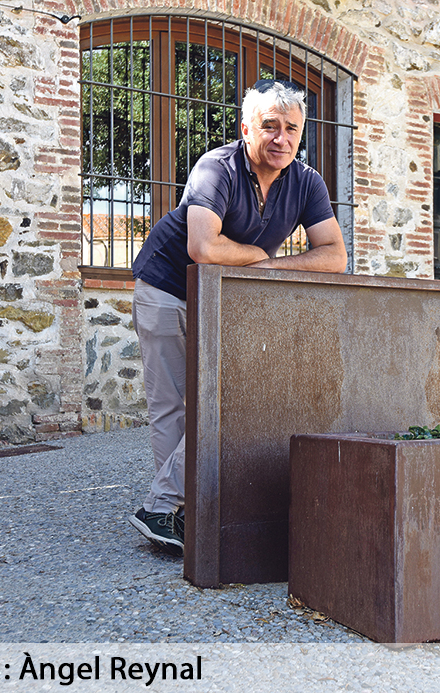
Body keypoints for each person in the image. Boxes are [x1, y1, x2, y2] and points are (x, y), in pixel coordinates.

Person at [128, 79, 347, 554]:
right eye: (270, 126)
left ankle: (164, 507)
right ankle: (175, 511)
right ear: (247, 128)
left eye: (292, 129)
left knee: (223, 399)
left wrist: (269, 267)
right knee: (173, 404)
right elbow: (203, 247)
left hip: (226, 294)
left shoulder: (306, 182)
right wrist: (260, 256)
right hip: (167, 286)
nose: (281, 138)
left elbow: (334, 255)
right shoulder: (217, 167)